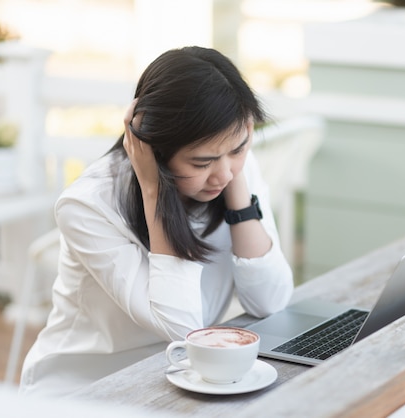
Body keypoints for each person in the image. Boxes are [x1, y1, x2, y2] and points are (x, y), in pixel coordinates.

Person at [19, 46, 294, 397]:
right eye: (201, 162)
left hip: (181, 379)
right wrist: (154, 189)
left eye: (239, 148)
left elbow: (270, 301)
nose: (223, 173)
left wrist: (237, 187)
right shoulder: (88, 206)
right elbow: (181, 327)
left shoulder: (233, 171)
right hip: (85, 390)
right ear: (153, 148)